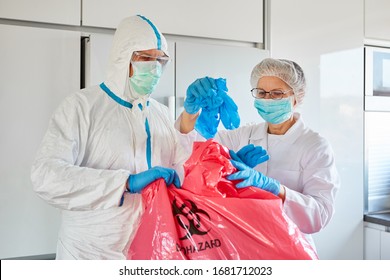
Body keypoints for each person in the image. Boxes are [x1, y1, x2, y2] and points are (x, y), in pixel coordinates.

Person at [30, 15, 188, 260]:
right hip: (89, 254)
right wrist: (124, 183)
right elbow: (46, 177)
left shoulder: (162, 114)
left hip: (149, 249)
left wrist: (210, 144)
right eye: (146, 58)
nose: (154, 67)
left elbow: (182, 170)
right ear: (122, 57)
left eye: (160, 60)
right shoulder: (82, 108)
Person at [177, 58, 340, 250]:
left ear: (297, 97)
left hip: (289, 249)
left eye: (277, 93)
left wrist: (275, 189)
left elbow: (319, 216)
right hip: (242, 245)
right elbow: (191, 154)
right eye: (261, 93)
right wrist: (192, 115)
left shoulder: (315, 146)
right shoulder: (244, 135)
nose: (268, 99)